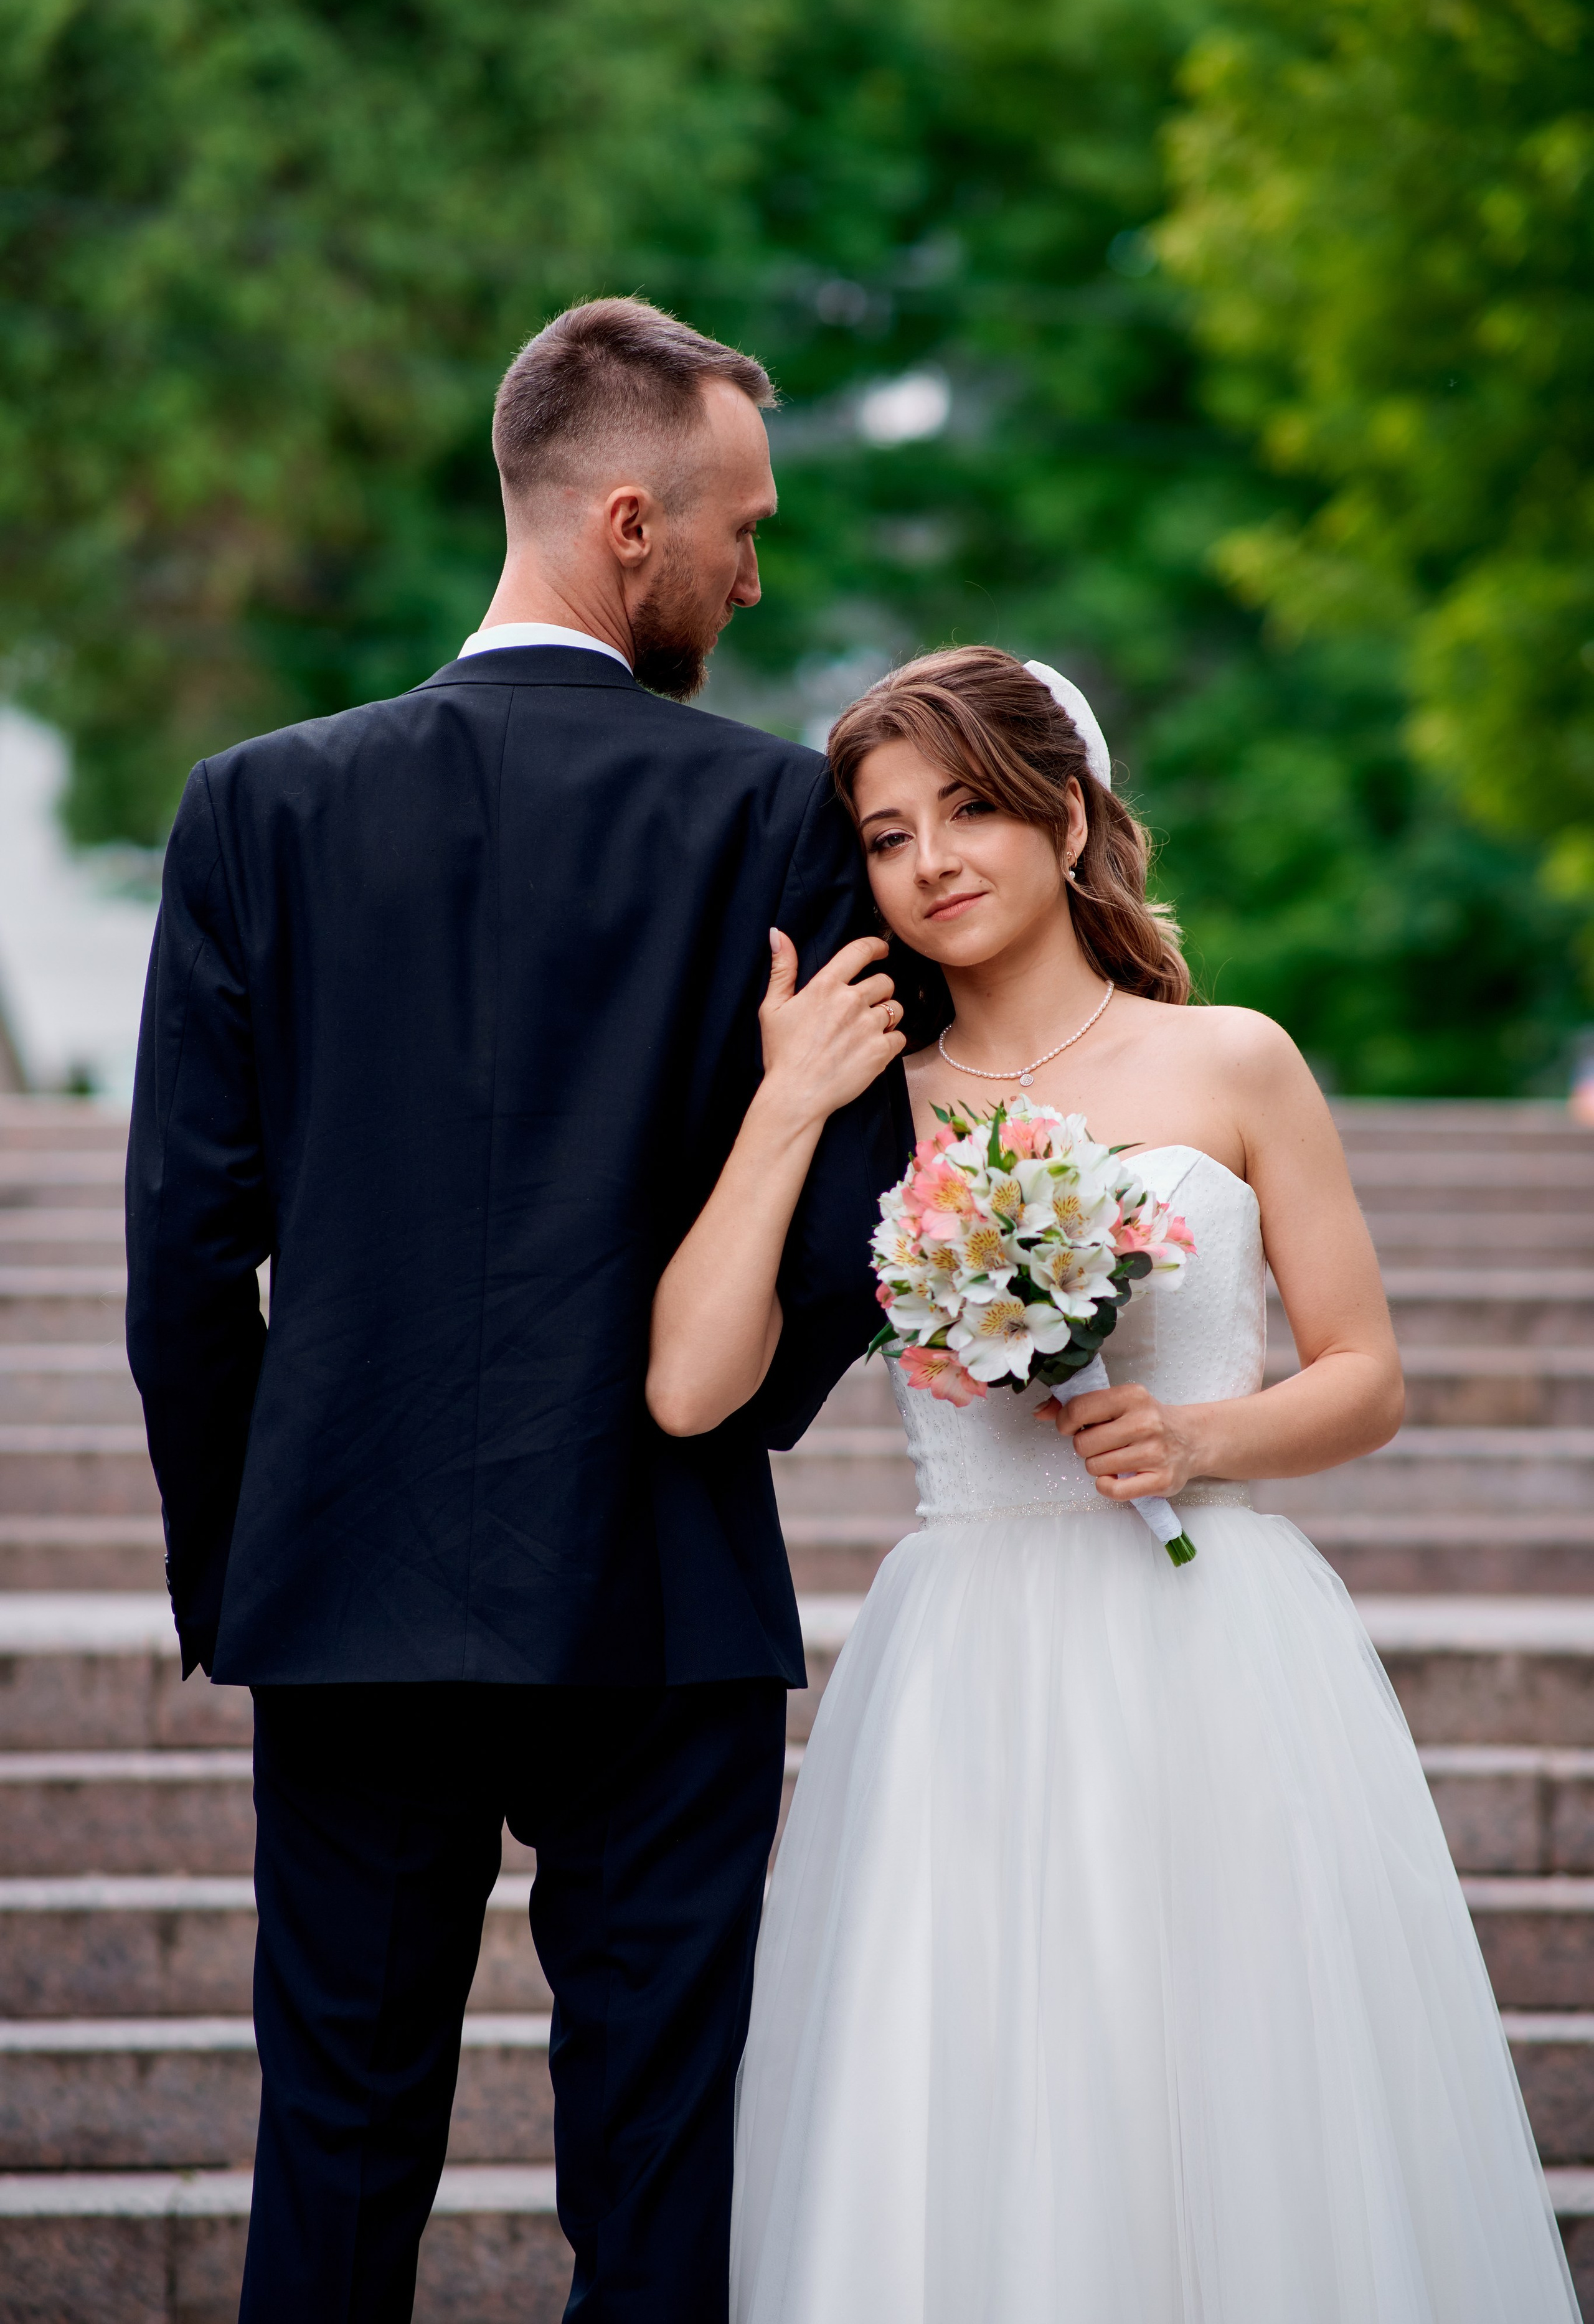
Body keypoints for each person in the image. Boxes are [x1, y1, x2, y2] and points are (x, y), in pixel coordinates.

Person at [124, 297, 907, 2323]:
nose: (758, 573)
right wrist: (714, 1414)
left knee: (337, 2149)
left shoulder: (255, 812)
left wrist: (248, 1571)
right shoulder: (769, 820)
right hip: (660, 1590)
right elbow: (843, 1234)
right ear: (629, 523)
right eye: (740, 529)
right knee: (659, 2175)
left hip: (348, 1577)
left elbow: (188, 1261)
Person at [649, 644, 1579, 2320]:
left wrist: (1203, 1440)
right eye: (882, 834)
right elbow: (694, 1381)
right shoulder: (875, 1101)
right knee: (984, 2080)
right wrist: (790, 1102)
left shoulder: (1236, 1059)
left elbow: (1365, 1375)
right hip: (965, 1659)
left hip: (1216, 1635)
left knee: (1241, 2089)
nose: (929, 859)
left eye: (969, 811)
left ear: (1065, 816)